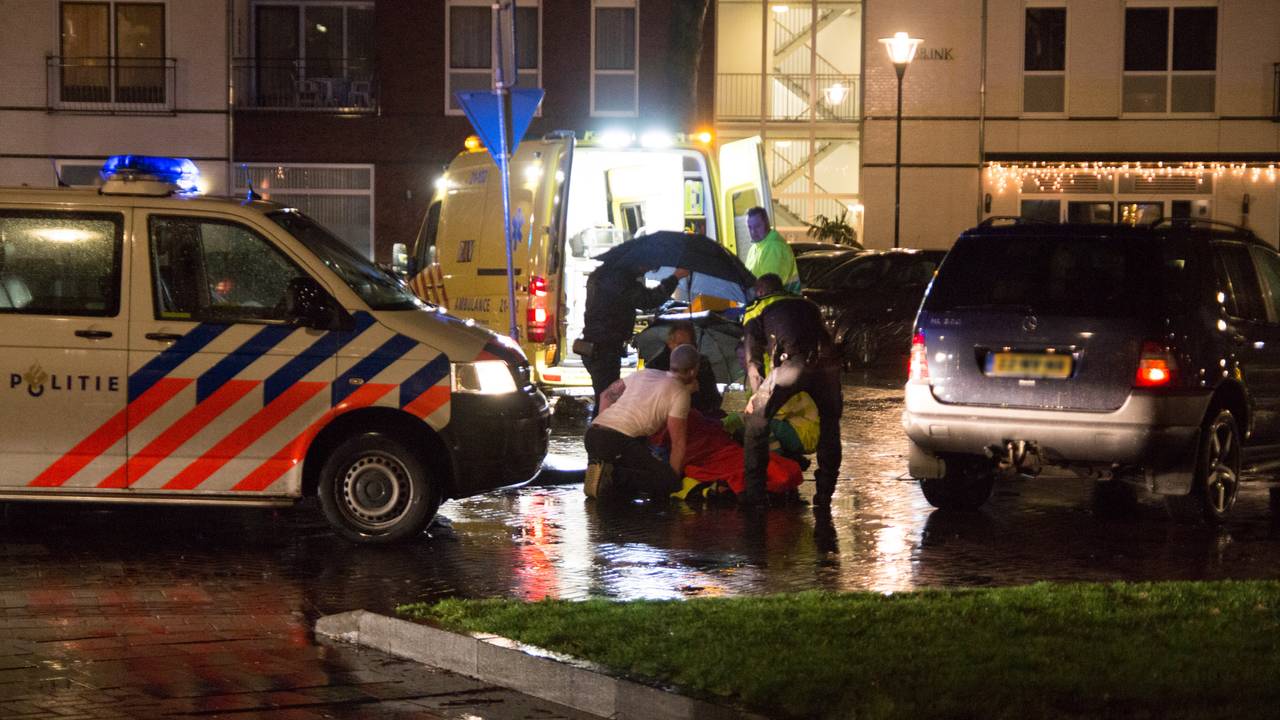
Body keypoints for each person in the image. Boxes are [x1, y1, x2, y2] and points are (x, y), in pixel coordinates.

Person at [741, 273, 843, 507]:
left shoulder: (756, 308)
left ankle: (755, 496)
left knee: (756, 421)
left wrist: (757, 395)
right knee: (830, 428)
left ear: (759, 292)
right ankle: (825, 495)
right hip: (827, 367)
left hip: (792, 365)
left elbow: (752, 359)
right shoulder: (807, 303)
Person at [583, 344, 701, 501]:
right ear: (693, 371)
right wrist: (671, 478)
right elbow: (678, 443)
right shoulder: (680, 393)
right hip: (617, 441)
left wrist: (605, 428)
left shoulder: (645, 373)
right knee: (670, 482)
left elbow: (605, 395)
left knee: (638, 459)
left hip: (593, 435)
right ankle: (613, 475)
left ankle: (605, 471)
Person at [580, 263, 689, 412]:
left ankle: (600, 425)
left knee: (604, 400)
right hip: (604, 349)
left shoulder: (603, 274)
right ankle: (601, 426)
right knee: (607, 403)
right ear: (637, 261)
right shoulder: (618, 278)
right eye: (647, 267)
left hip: (595, 346)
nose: (646, 271)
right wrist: (676, 277)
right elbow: (648, 300)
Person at [646, 320, 723, 416]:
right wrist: (684, 391)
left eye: (687, 345)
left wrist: (698, 392)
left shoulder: (702, 364)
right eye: (679, 344)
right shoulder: (656, 366)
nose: (683, 348)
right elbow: (653, 403)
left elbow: (714, 400)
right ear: (670, 343)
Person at [744, 207, 800, 293]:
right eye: (750, 227)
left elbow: (768, 289)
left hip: (781, 300)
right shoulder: (754, 248)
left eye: (757, 226)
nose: (753, 232)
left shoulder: (774, 247)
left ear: (767, 223)